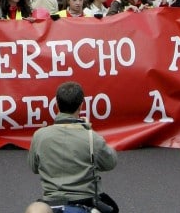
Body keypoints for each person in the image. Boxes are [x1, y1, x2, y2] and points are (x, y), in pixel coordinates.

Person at [28, 81, 118, 212]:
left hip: (51, 201)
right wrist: (88, 130)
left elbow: (34, 167)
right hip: (85, 200)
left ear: (57, 105)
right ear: (81, 106)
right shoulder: (91, 137)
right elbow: (110, 163)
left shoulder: (39, 136)